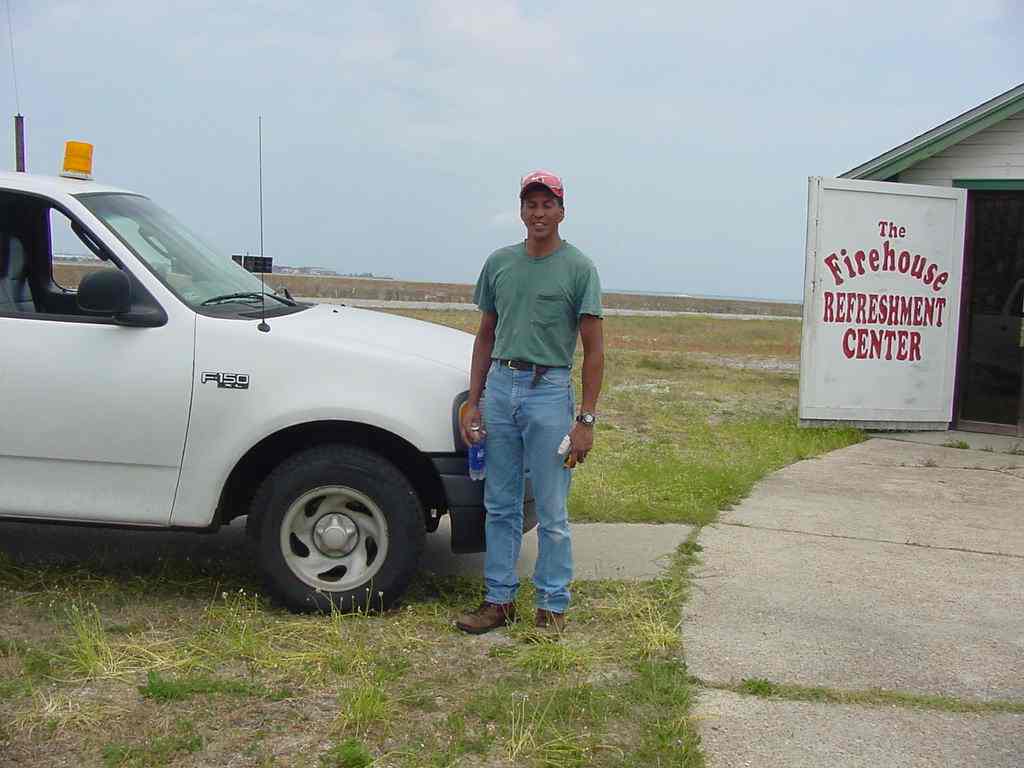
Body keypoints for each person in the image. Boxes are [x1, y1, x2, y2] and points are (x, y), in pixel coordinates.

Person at [456, 169, 604, 634]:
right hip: (501, 389)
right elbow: (485, 336)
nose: (538, 213)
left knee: (552, 509)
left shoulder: (579, 268)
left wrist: (586, 420)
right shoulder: (500, 263)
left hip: (549, 392)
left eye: (547, 205)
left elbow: (594, 351)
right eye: (530, 205)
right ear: (521, 211)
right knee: (500, 503)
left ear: (561, 211)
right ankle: (498, 600)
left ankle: (552, 605)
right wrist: (474, 401)